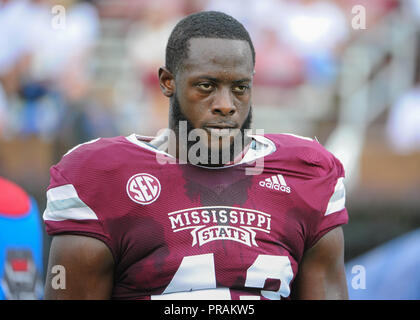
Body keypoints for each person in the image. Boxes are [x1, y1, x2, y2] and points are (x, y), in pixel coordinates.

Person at [43, 11, 348, 300]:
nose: (226, 105)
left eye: (240, 88)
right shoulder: (101, 176)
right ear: (168, 81)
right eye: (206, 86)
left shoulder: (306, 173)